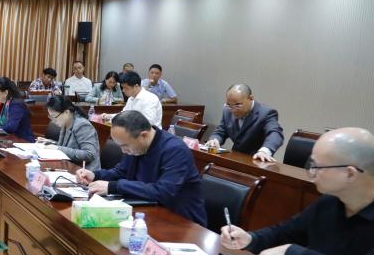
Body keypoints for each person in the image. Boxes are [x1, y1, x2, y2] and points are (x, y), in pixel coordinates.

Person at [219, 128, 374, 255]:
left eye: (317, 166)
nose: (311, 173)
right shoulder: (329, 202)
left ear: (350, 173)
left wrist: (294, 253)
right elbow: (285, 233)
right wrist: (250, 239)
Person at [77, 111, 206, 225]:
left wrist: (113, 186)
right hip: (144, 212)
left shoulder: (175, 150)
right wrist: (95, 175)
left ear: (143, 135)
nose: (123, 151)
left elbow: (163, 192)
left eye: (125, 146)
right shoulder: (137, 146)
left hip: (180, 222)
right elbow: (121, 172)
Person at [205, 84, 284, 162]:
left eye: (238, 105)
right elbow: (221, 131)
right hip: (234, 159)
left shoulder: (265, 113)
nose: (233, 110)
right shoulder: (227, 110)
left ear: (251, 98)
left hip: (256, 161)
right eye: (229, 104)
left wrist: (264, 151)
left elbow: (275, 133)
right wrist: (215, 140)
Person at [45, 96, 100, 169]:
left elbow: (89, 154)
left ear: (66, 112)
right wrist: (49, 143)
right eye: (50, 117)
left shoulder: (82, 125)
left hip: (85, 171)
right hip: (70, 167)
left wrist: (58, 148)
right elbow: (65, 146)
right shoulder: (66, 123)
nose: (53, 121)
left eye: (54, 117)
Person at [0, 77, 34, 142]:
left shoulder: (16, 105)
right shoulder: (5, 103)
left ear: (5, 93)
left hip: (23, 142)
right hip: (9, 140)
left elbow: (11, 127)